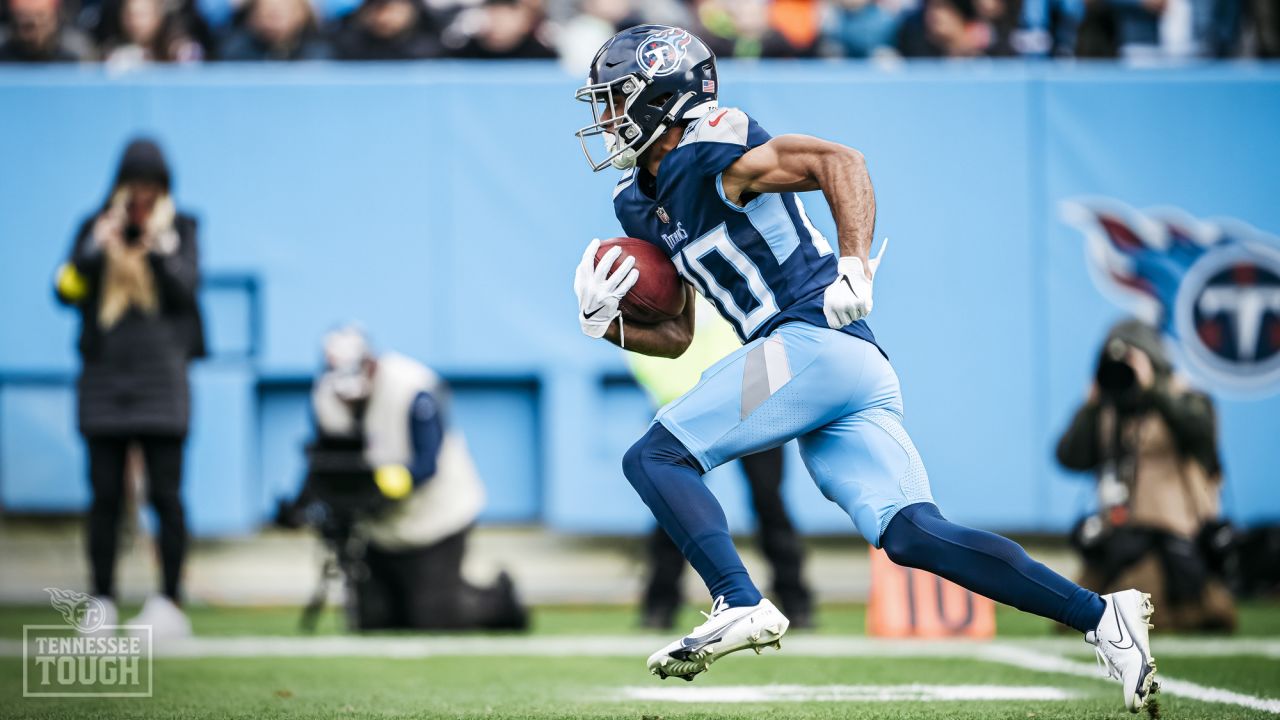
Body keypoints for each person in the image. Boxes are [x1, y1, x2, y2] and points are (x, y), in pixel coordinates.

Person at [571, 25, 1157, 712]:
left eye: (616, 100)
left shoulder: (712, 145)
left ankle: (739, 599)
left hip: (814, 338)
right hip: (826, 365)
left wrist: (853, 262)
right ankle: (1101, 617)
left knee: (656, 457)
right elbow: (677, 334)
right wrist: (610, 323)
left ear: (662, 96)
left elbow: (841, 161)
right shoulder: (636, 201)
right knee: (912, 534)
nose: (606, 119)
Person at [53, 138, 206, 640]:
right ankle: (101, 601)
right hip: (104, 377)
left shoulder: (181, 229)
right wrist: (98, 246)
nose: (140, 199)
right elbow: (65, 289)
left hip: (162, 379)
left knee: (166, 494)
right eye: (133, 187)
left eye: (150, 188)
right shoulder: (93, 227)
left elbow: (187, 292)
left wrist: (159, 252)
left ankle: (169, 601)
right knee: (103, 496)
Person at [309, 327, 528, 631]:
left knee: (435, 617)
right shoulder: (325, 397)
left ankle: (501, 598)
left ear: (370, 363)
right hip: (381, 525)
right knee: (375, 622)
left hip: (435, 518)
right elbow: (326, 459)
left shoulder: (412, 386)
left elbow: (427, 463)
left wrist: (380, 485)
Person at [629, 297, 813, 630]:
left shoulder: (733, 269)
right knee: (675, 502)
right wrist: (679, 397)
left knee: (768, 500)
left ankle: (796, 599)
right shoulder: (667, 278)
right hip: (685, 404)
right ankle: (660, 602)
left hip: (752, 400)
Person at [1057, 319, 1234, 632]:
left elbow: (1201, 434)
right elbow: (1069, 457)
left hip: (1171, 543)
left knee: (1128, 616)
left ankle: (1201, 606)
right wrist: (1091, 406)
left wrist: (1155, 388)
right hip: (1119, 540)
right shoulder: (1108, 412)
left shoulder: (1188, 400)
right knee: (1069, 616)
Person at [97, 0, 206, 65]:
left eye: (142, 15)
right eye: (130, 15)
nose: (136, 22)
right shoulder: (114, 50)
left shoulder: (175, 46)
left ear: (157, 16)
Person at [219, 0, 332, 61]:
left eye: (278, 16)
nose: (271, 23)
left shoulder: (318, 54)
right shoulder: (236, 51)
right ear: (253, 17)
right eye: (265, 14)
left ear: (300, 15)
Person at [332, 0, 443, 60]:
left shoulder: (432, 47)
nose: (385, 17)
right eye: (378, 9)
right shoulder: (347, 44)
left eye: (393, 9)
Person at [0, 0, 94, 61]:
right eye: (22, 16)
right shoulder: (3, 49)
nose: (33, 23)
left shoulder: (76, 52)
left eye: (40, 16)